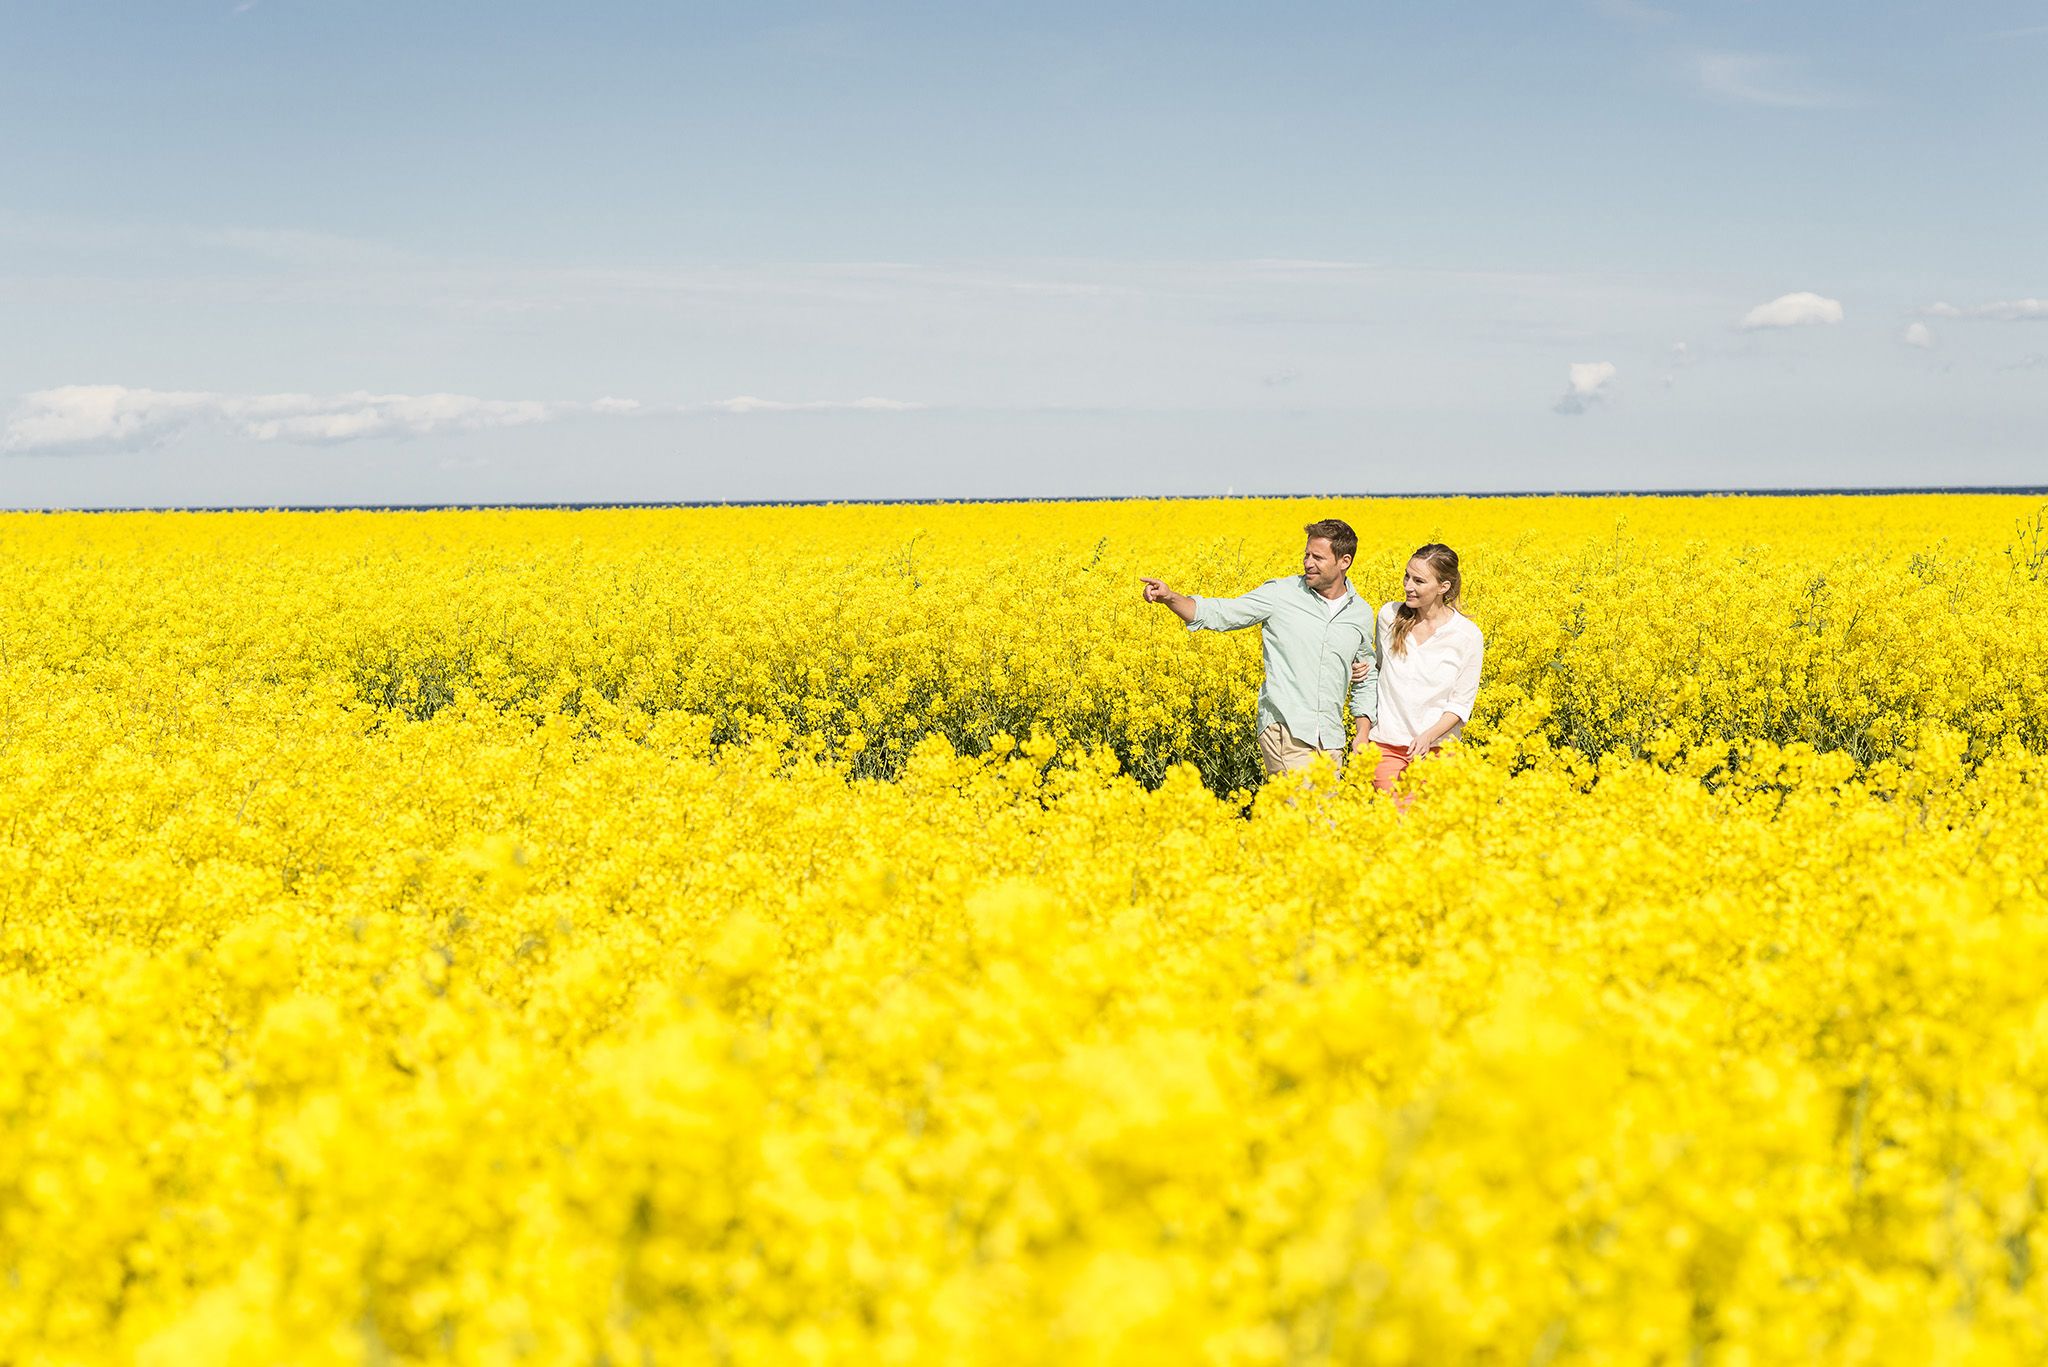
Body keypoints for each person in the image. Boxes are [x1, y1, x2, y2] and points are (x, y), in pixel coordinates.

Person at [1139, 519, 1378, 777]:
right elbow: (1223, 613)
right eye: (1306, 554)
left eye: (1317, 557)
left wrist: (1362, 733)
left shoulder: (1360, 613)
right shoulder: (1281, 594)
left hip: (1330, 739)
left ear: (1344, 561)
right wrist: (1170, 597)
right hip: (1286, 730)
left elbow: (1365, 677)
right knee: (1301, 803)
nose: (1308, 563)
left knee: (1326, 806)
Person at [1351, 543, 1484, 801]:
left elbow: (1460, 704)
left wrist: (1427, 737)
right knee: (1395, 820)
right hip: (1386, 747)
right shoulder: (1389, 616)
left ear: (1443, 587)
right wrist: (1358, 670)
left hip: (1437, 752)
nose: (1408, 586)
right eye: (1407, 576)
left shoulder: (1467, 635)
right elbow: (1377, 671)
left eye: (1419, 581)